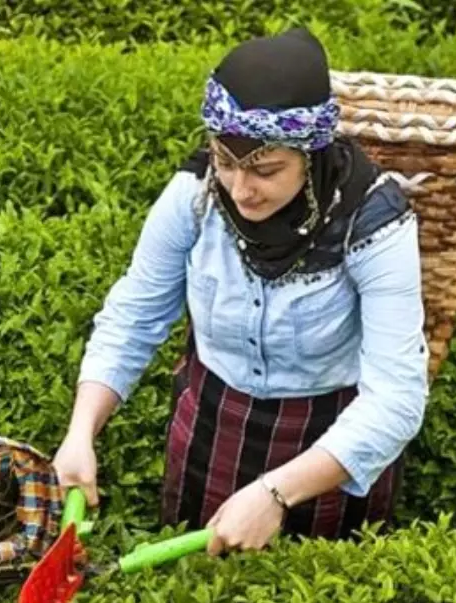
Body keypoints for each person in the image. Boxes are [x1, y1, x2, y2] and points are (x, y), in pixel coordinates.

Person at [51, 27, 430, 557]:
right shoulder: (194, 196)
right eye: (226, 162)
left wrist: (277, 493)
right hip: (213, 428)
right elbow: (133, 317)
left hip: (327, 446)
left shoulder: (372, 221)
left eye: (266, 170)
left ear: (311, 155)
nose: (240, 189)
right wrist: (80, 432)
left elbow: (397, 399)